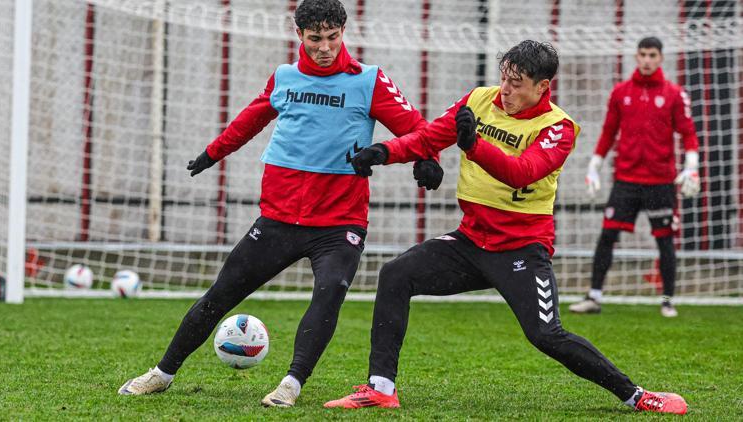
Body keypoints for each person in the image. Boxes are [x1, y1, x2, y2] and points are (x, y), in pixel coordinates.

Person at [322, 40, 688, 415]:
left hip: (522, 249)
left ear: (543, 86)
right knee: (396, 274)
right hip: (470, 241)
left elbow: (521, 173)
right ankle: (381, 388)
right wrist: (384, 152)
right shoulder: (479, 100)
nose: (506, 89)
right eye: (504, 78)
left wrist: (473, 146)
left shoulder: (558, 127)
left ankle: (637, 395)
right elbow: (429, 137)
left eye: (517, 82)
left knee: (546, 335)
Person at [118, 0, 443, 408]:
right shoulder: (285, 78)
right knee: (219, 295)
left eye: (332, 37)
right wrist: (212, 153)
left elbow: (418, 128)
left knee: (329, 293)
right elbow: (250, 119)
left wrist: (428, 158)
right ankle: (161, 373)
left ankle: (291, 383)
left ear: (343, 31)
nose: (324, 46)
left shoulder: (369, 80)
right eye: (315, 39)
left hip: (339, 223)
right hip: (278, 219)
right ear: (299, 36)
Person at [569, 37, 700, 318]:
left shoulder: (675, 94)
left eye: (652, 54)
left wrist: (691, 166)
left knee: (664, 240)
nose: (647, 60)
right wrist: (594, 167)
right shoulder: (620, 92)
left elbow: (688, 133)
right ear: (636, 57)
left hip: (661, 181)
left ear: (660, 57)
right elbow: (608, 132)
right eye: (642, 54)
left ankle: (667, 300)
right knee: (607, 235)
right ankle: (593, 297)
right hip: (626, 179)